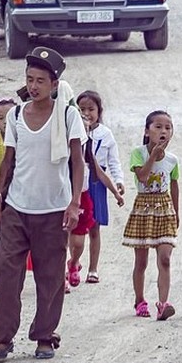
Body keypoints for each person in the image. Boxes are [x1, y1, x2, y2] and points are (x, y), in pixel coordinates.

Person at [0, 46, 86, 361]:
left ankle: (44, 335)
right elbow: (8, 162)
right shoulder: (16, 114)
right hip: (17, 207)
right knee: (8, 273)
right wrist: (0, 206)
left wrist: (74, 203)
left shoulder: (69, 115)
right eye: (30, 79)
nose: (34, 86)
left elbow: (78, 162)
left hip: (53, 210)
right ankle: (2, 339)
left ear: (54, 84)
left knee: (50, 276)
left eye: (41, 81)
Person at [122, 110, 179, 321]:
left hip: (164, 209)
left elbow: (174, 185)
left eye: (168, 127)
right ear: (147, 131)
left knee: (165, 258)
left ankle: (163, 304)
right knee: (142, 261)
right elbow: (143, 177)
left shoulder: (173, 160)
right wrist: (153, 156)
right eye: (158, 127)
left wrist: (176, 212)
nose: (163, 131)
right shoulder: (139, 153)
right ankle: (140, 300)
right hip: (144, 208)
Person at [66, 115, 124, 292]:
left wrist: (115, 192)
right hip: (62, 197)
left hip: (82, 198)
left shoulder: (88, 152)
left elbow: (100, 173)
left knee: (78, 241)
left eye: (86, 130)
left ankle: (74, 263)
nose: (82, 132)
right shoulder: (61, 151)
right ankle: (61, 278)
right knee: (60, 238)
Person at [75, 90, 126, 284]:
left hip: (98, 183)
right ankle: (75, 262)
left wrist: (118, 181)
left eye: (91, 109)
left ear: (99, 111)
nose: (86, 113)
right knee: (76, 227)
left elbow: (113, 162)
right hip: (78, 182)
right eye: (82, 109)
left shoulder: (106, 134)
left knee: (94, 228)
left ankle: (93, 269)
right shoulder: (74, 133)